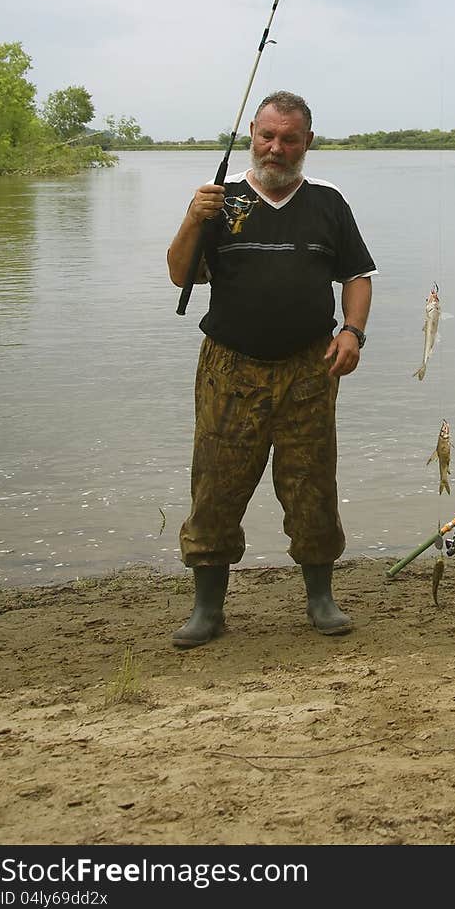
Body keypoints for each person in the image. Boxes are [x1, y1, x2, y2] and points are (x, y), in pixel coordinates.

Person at [166, 89, 376, 648]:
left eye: (289, 139)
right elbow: (178, 273)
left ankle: (321, 599)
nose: (276, 148)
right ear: (252, 135)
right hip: (229, 369)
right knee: (215, 484)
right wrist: (192, 217)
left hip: (310, 368)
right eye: (267, 136)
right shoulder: (221, 202)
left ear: (308, 142)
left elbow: (357, 275)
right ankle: (208, 609)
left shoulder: (329, 203)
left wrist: (352, 333)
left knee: (311, 484)